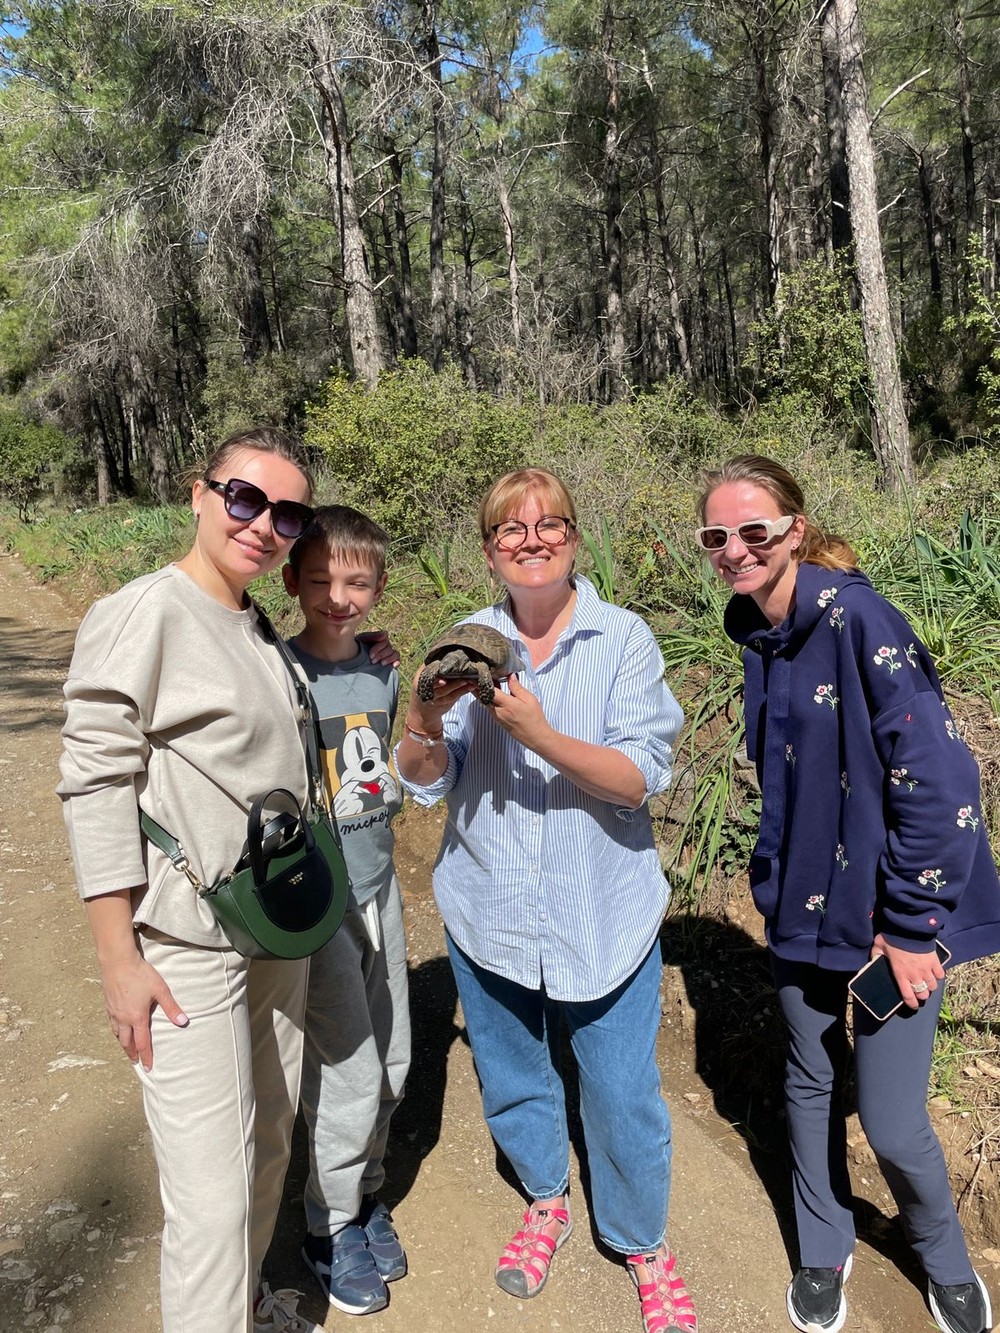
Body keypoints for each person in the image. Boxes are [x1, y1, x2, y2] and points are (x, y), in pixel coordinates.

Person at [58, 427, 384, 1333]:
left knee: (268, 1144)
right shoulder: (145, 612)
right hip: (186, 948)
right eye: (245, 499)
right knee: (210, 1195)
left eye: (287, 513)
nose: (264, 524)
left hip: (270, 933)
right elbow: (94, 782)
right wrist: (118, 958)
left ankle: (242, 1305)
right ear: (198, 494)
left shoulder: (255, 627)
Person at [697, 455, 1000, 1333]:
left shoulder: (860, 618)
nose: (736, 549)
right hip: (802, 907)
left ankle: (942, 1255)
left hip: (893, 920)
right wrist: (770, 876)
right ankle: (823, 1247)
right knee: (809, 1081)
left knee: (898, 1120)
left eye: (756, 530)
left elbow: (942, 782)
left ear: (794, 528)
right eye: (718, 535)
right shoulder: (758, 633)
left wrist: (910, 929)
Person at [396, 468, 697, 1333]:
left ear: (575, 536)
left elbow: (639, 777)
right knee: (514, 1069)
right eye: (509, 529)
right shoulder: (466, 640)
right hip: (488, 907)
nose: (531, 539)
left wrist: (539, 733)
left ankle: (642, 1241)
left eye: (549, 523)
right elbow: (424, 781)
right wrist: (422, 717)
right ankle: (544, 1197)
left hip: (602, 912)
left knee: (619, 1087)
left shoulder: (624, 638)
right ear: (489, 549)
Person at [280, 506, 410, 1317]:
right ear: (290, 579)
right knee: (347, 1068)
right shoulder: (279, 670)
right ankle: (324, 1225)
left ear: (378, 587)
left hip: (381, 884)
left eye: (357, 581)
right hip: (319, 900)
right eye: (321, 578)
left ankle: (363, 1196)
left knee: (393, 1058)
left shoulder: (382, 669)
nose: (339, 595)